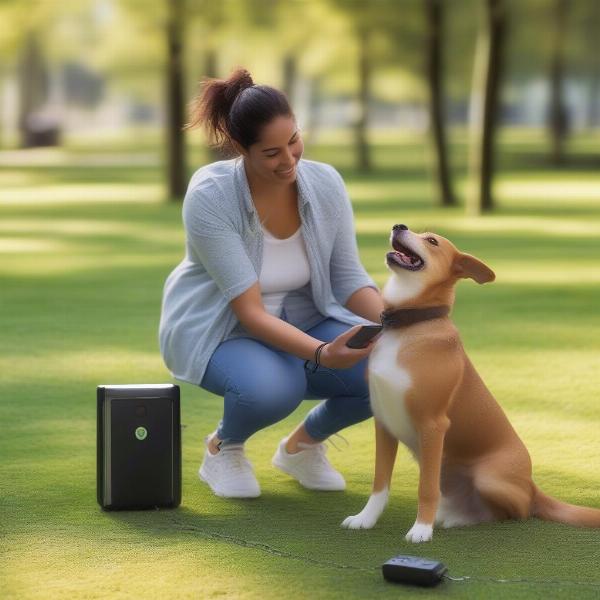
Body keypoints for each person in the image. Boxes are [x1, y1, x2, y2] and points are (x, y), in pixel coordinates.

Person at [159, 68, 385, 499]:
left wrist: (404, 323)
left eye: (294, 141)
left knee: (389, 370)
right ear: (241, 149)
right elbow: (250, 313)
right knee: (276, 386)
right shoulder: (210, 195)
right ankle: (222, 448)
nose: (290, 161)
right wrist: (322, 353)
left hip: (301, 319)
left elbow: (348, 278)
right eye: (271, 152)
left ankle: (301, 447)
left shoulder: (325, 183)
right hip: (222, 330)